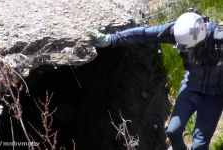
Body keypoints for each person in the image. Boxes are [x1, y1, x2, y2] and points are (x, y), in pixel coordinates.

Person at [87, 10, 223, 150]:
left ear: (202, 38)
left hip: (213, 96)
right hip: (191, 87)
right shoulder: (176, 32)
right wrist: (112, 39)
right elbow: (144, 34)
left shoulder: (220, 38)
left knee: (199, 145)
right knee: (173, 131)